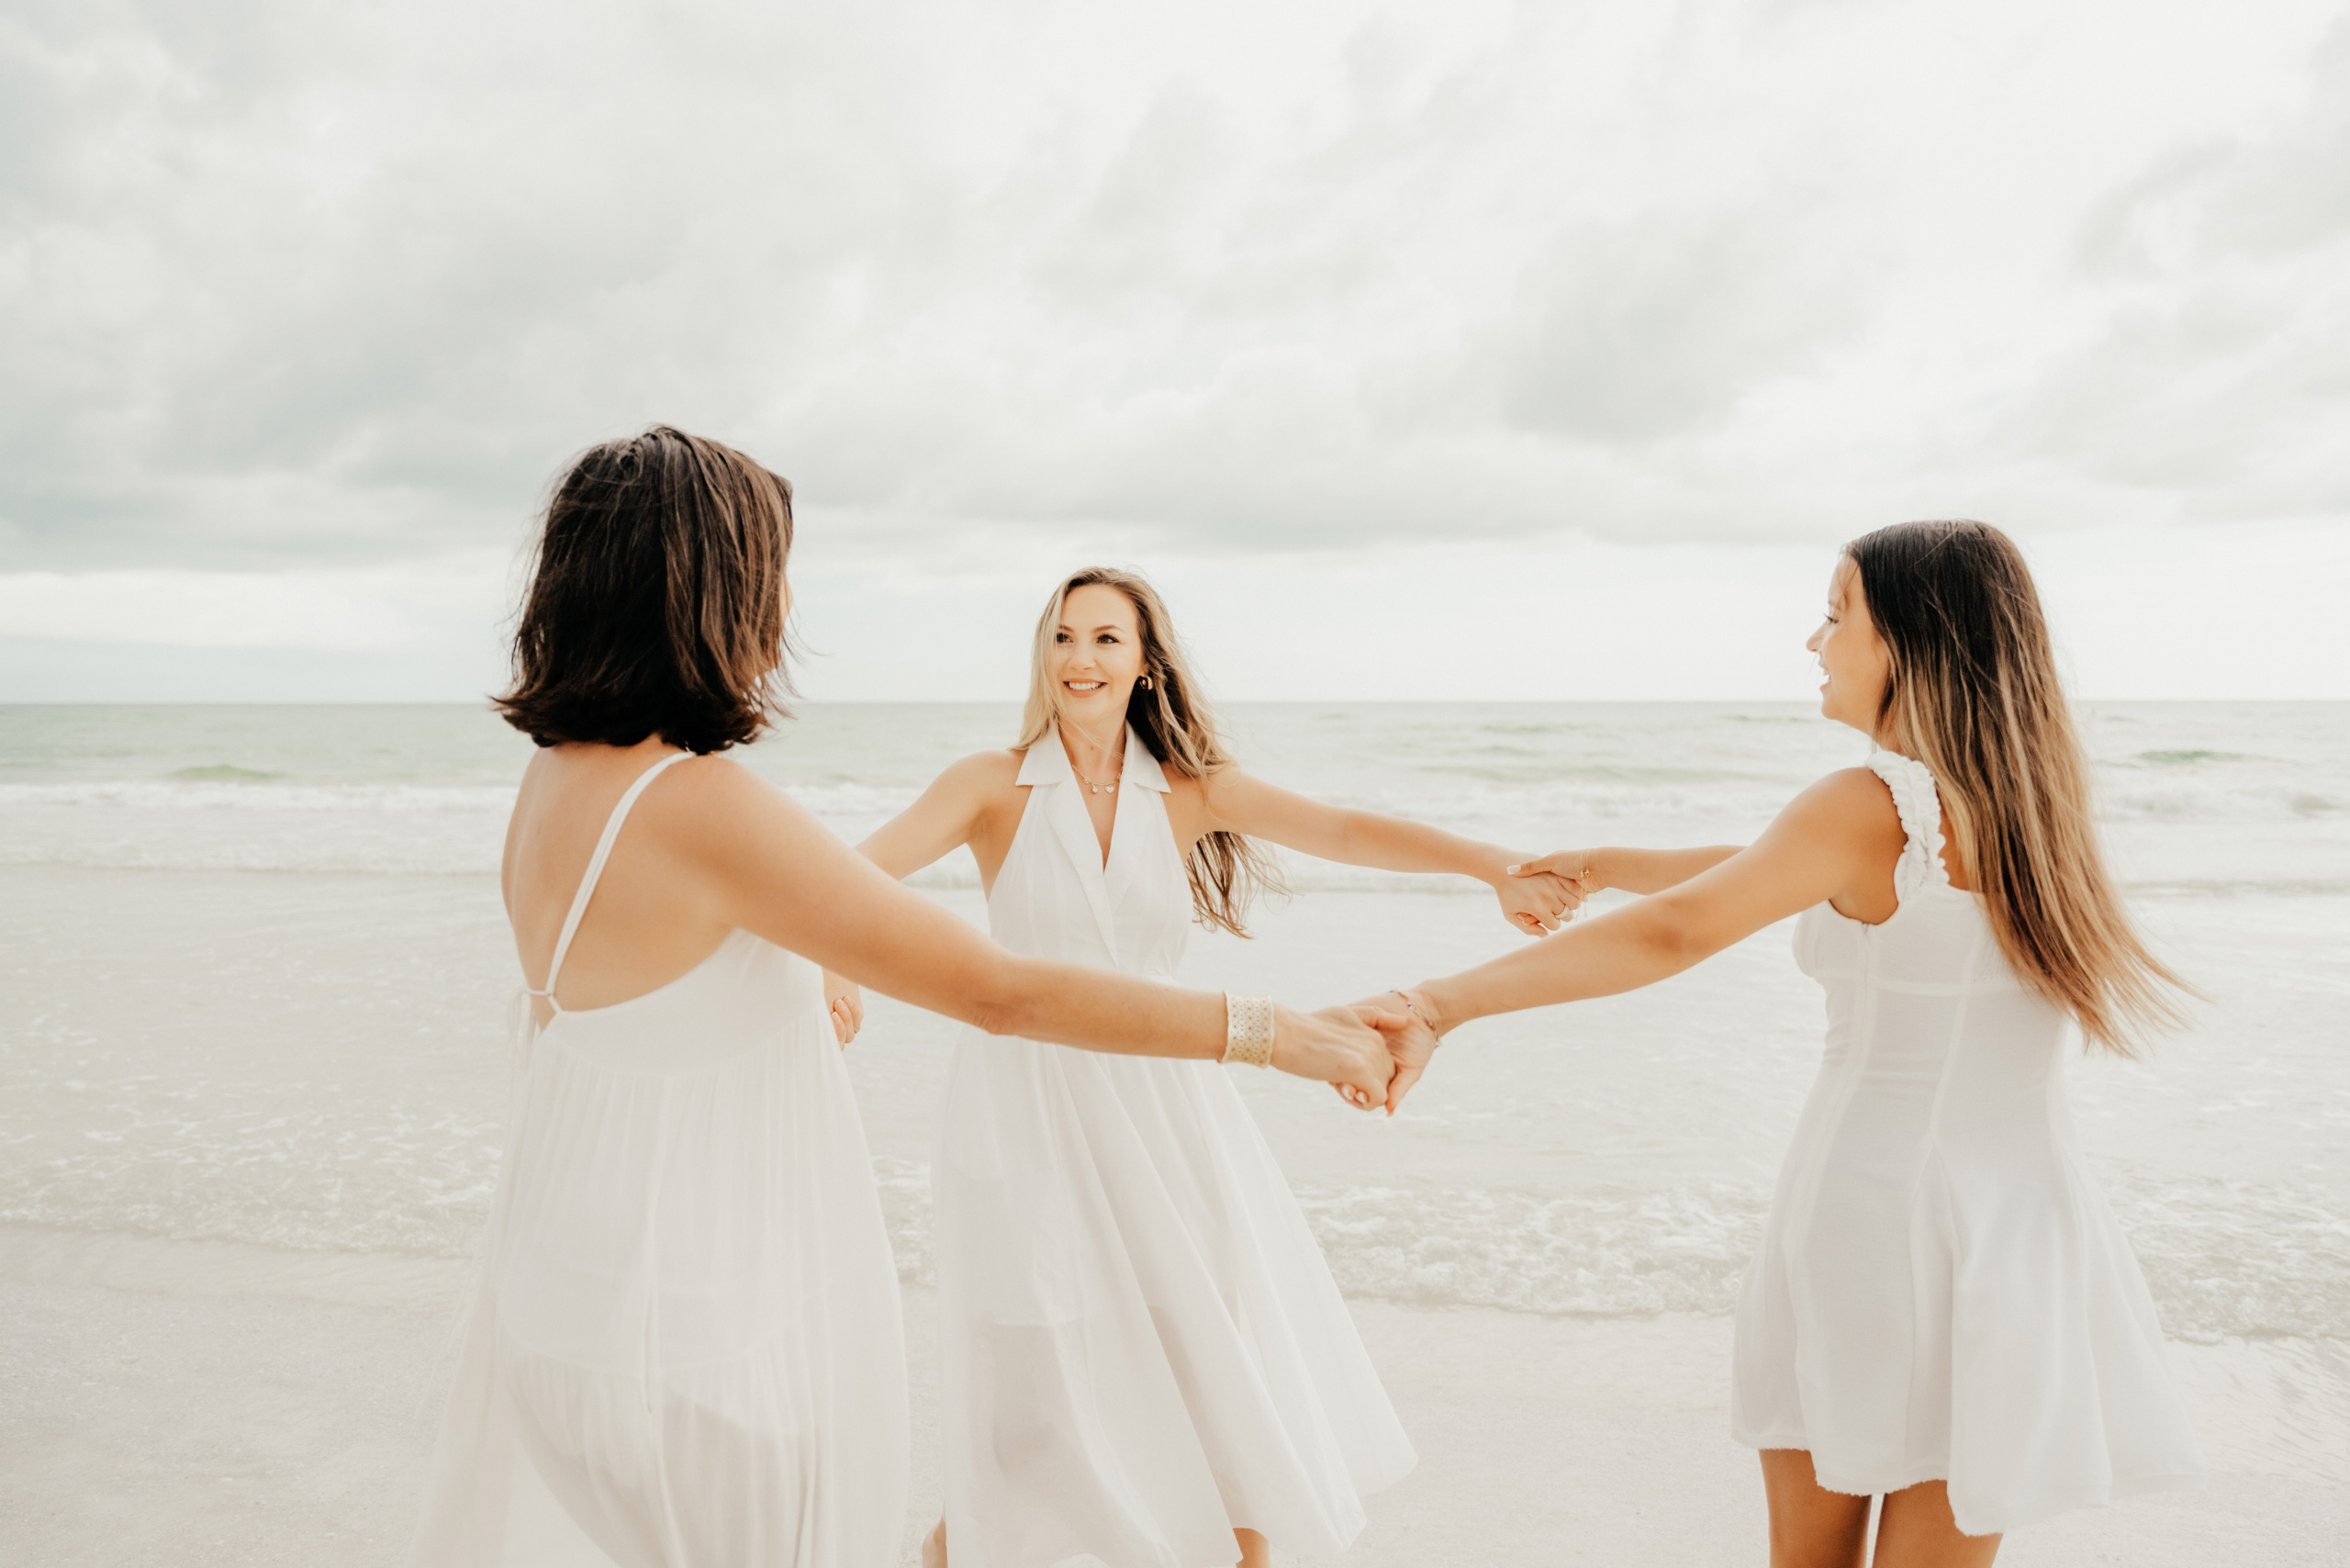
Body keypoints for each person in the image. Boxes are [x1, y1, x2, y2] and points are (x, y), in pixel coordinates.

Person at [405, 431, 1402, 1568]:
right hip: (687, 1343)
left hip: (568, 1309)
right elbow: (999, 990)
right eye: (769, 572)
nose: (780, 607)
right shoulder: (700, 805)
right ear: (706, 590)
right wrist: (1279, 1035)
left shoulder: (553, 784)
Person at [1373, 521, 2205, 1567]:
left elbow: (1688, 928)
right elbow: (1795, 872)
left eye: (1833, 613)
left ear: (1904, 639)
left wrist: (1440, 1003)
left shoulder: (1866, 802)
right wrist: (1615, 860)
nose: (1813, 642)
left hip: (1875, 1219)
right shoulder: (2036, 809)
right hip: (2020, 1224)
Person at [827, 566, 1583, 1568]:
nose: (1081, 659)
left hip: (1168, 1096)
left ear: (1146, 663)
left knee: (1210, 1361)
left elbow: (1348, 830)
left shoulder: (1189, 791)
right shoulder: (988, 784)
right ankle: (955, 1549)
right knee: (1031, 1389)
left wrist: (1492, 864)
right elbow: (844, 882)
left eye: (1106, 639)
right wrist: (826, 961)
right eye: (1063, 637)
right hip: (1026, 1106)